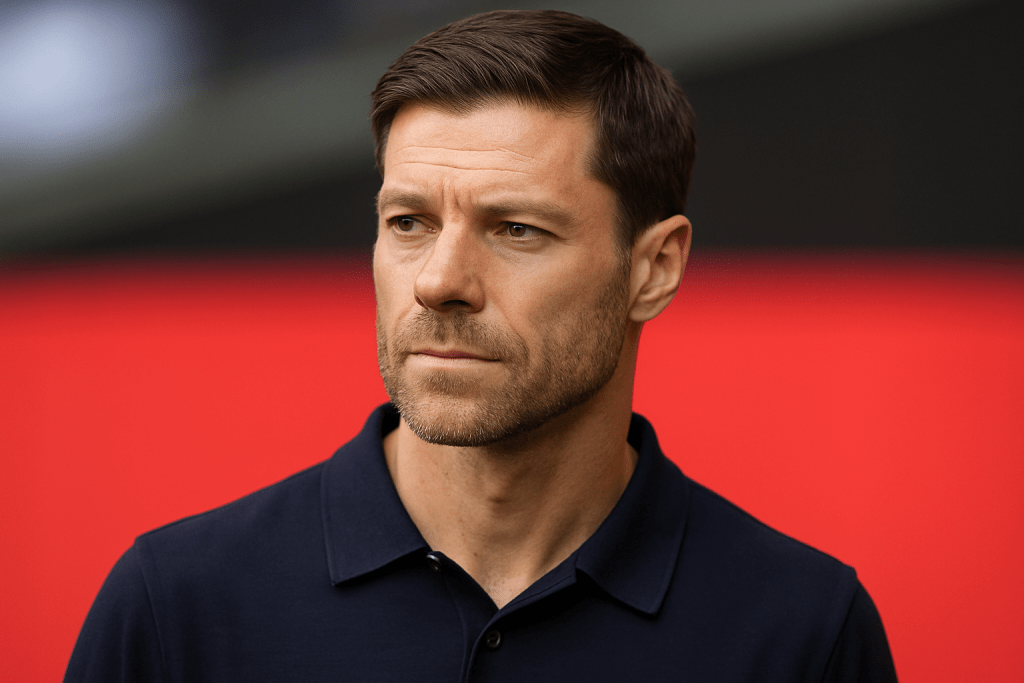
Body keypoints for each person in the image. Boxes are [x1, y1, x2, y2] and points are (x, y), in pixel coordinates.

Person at [65, 9, 897, 682]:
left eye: (516, 229)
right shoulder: (176, 608)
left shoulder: (803, 630)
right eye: (409, 222)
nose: (439, 281)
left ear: (654, 269)